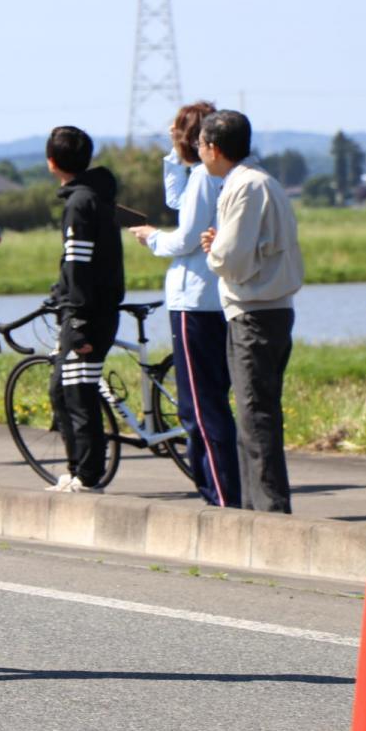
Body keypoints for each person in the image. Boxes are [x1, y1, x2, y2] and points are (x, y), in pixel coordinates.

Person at [128, 102, 241, 508]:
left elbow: (185, 235)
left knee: (199, 406)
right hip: (223, 301)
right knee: (214, 401)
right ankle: (224, 491)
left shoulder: (203, 181)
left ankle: (222, 497)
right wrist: (174, 157)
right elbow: (179, 200)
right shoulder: (222, 177)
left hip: (195, 301)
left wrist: (152, 238)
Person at [199, 110, 304, 514]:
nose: (199, 152)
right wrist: (221, 244)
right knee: (255, 411)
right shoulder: (263, 181)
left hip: (253, 312)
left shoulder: (242, 186)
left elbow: (232, 259)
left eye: (201, 145)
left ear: (214, 148)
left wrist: (215, 250)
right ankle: (256, 507)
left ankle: (269, 513)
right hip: (271, 309)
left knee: (255, 414)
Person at [44, 126, 124, 493]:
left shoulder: (80, 203)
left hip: (88, 315)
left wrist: (76, 322)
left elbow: (79, 265)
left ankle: (89, 477)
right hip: (92, 309)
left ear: (51, 162)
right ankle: (77, 470)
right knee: (64, 389)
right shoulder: (95, 195)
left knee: (79, 394)